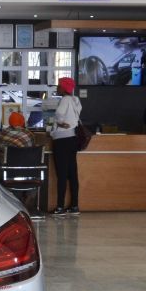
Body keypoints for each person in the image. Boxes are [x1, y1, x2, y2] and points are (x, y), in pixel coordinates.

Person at [51, 77, 82, 216]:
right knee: (72, 174)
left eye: (59, 86)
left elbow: (58, 114)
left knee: (62, 174)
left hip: (62, 141)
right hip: (72, 140)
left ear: (64, 88)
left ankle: (59, 207)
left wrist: (59, 122)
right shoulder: (76, 100)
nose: (57, 88)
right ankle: (75, 206)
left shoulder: (64, 100)